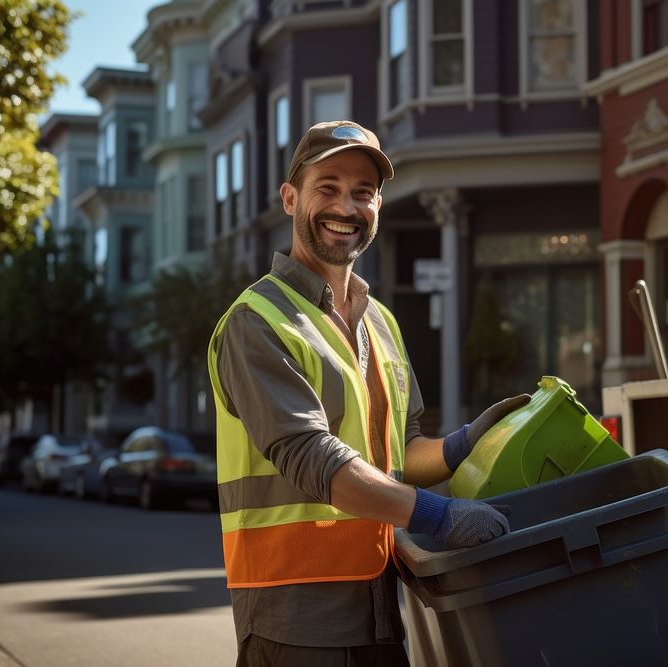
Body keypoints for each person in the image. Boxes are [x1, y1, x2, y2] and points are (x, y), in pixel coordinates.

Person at [207, 119, 529, 666]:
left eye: (363, 192)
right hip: (296, 621)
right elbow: (311, 456)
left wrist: (463, 445)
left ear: (378, 206)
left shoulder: (380, 323)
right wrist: (437, 515)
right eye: (326, 188)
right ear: (290, 198)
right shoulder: (256, 321)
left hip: (381, 608)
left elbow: (398, 452)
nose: (346, 208)